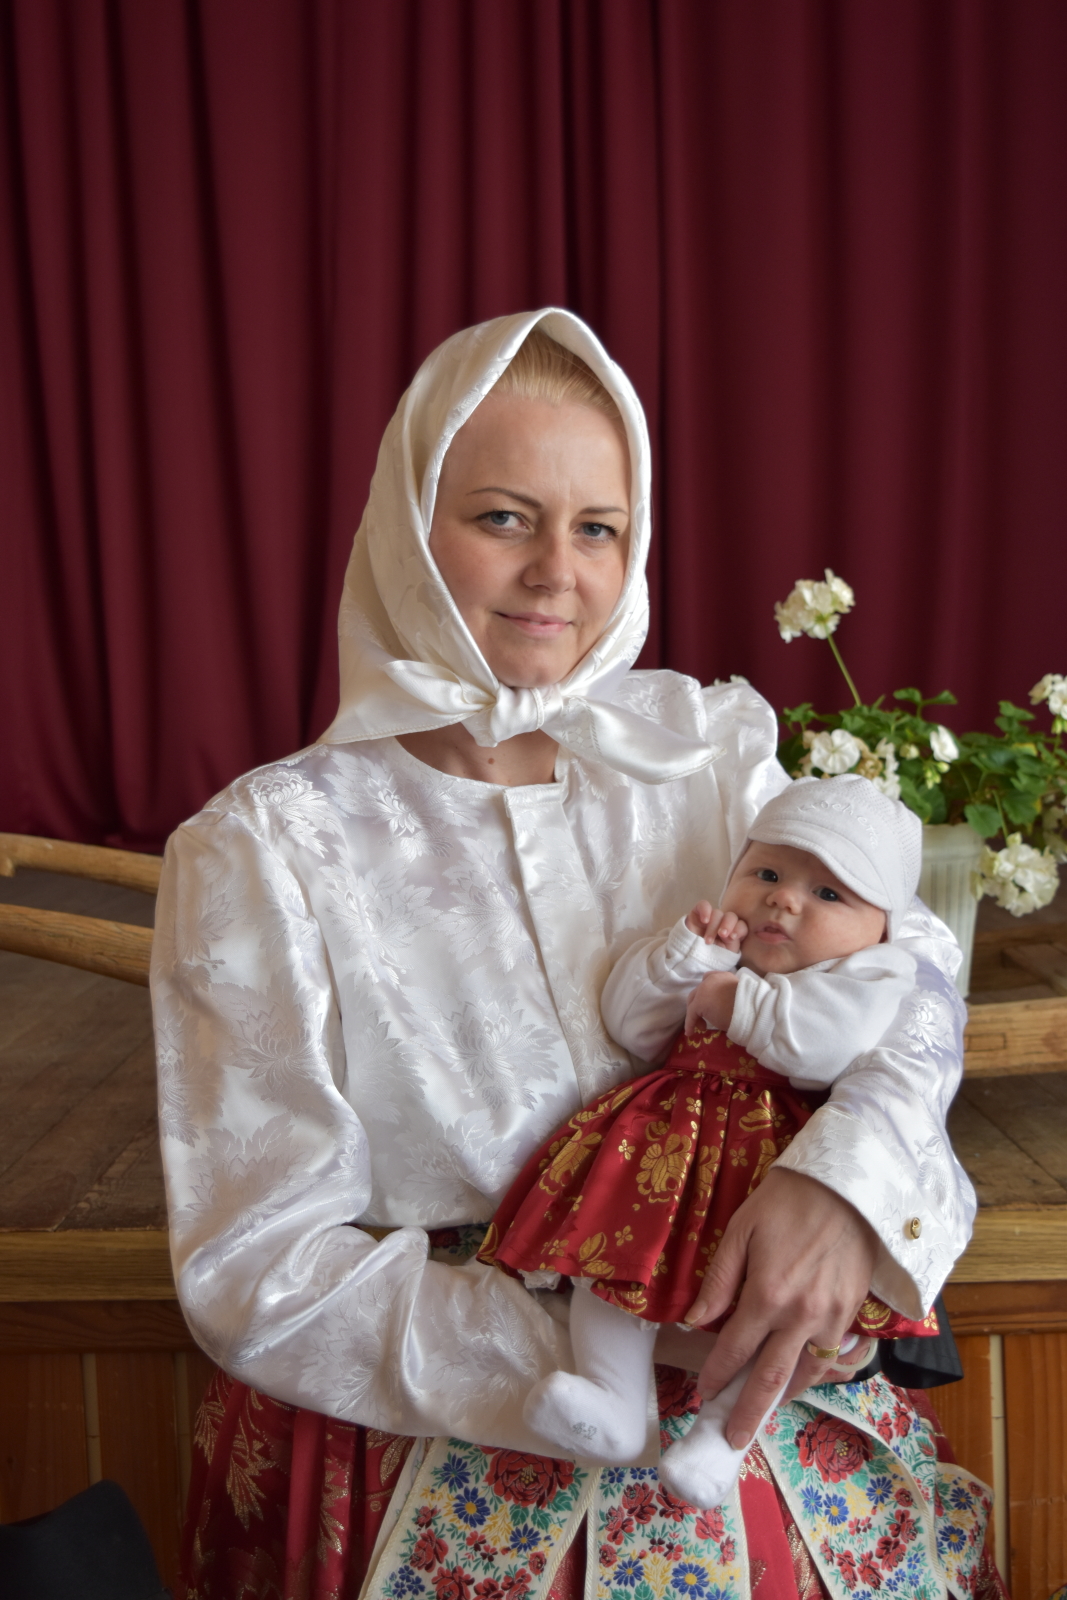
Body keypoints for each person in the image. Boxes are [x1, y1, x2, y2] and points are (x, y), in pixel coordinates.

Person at [151, 310, 998, 1599]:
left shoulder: (702, 750)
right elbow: (257, 1266)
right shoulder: (265, 844)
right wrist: (614, 1335)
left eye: (596, 527)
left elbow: (910, 956)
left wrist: (845, 1186)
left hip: (761, 1401)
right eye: (503, 517)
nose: (557, 571)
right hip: (443, 1437)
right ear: (406, 525)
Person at [479, 775, 938, 1510]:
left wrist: (734, 998)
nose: (783, 901)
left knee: (776, 1305)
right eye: (766, 873)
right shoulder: (714, 949)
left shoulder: (876, 973)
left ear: (883, 926)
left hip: (775, 1164)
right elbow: (631, 1025)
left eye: (828, 894)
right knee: (612, 1257)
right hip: (663, 1150)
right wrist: (683, 961)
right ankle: (613, 1398)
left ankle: (723, 1438)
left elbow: (828, 1045)